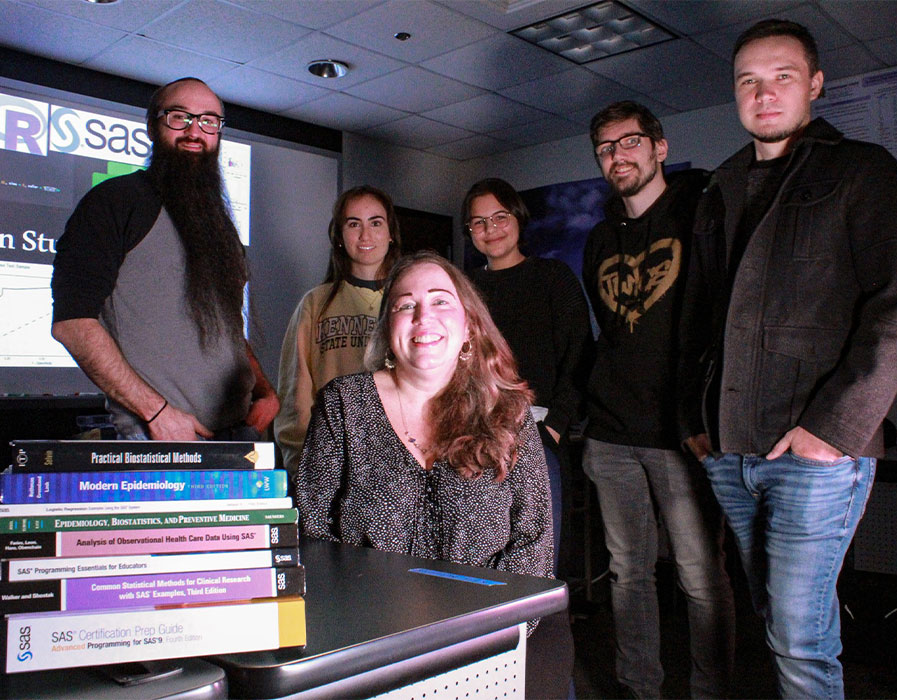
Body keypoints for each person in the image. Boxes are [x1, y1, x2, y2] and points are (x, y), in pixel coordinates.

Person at [679, 19, 897, 699]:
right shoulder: (719, 187)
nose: (764, 93)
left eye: (782, 77)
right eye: (748, 80)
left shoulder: (861, 170)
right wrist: (697, 421)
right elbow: (699, 317)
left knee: (799, 641)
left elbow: (895, 307)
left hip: (816, 451)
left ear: (815, 85)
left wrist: (834, 430)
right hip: (731, 452)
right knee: (778, 621)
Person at [296, 251, 572, 699]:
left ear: (469, 326)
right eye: (406, 305)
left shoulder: (509, 414)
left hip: (489, 651)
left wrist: (479, 644)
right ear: (388, 328)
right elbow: (314, 537)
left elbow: (533, 548)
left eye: (441, 301)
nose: (423, 315)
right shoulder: (343, 405)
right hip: (367, 648)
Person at [582, 101, 735, 699]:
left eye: (630, 142)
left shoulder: (698, 215)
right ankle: (640, 688)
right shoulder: (599, 239)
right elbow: (613, 331)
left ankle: (711, 691)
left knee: (700, 577)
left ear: (659, 147)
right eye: (606, 149)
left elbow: (715, 320)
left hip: (682, 435)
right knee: (628, 576)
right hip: (612, 434)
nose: (618, 156)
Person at [51, 77, 278, 441]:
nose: (194, 131)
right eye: (179, 117)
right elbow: (72, 323)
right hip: (160, 438)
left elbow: (229, 329)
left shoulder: (220, 228)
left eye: (208, 121)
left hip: (242, 435)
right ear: (153, 126)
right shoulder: (116, 201)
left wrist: (264, 391)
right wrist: (156, 412)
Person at [463, 178, 592, 573]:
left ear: (517, 218)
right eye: (479, 223)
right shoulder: (465, 288)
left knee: (541, 557)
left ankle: (541, 634)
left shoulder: (553, 277)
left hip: (539, 431)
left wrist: (554, 428)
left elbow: (581, 355)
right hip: (476, 435)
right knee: (482, 555)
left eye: (500, 217)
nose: (491, 229)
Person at [274, 186, 401, 477]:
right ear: (340, 236)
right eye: (353, 223)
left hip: (398, 466)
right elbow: (296, 394)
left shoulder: (411, 302)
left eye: (376, 223)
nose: (365, 235)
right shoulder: (315, 303)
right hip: (330, 465)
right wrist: (304, 466)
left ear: (391, 233)